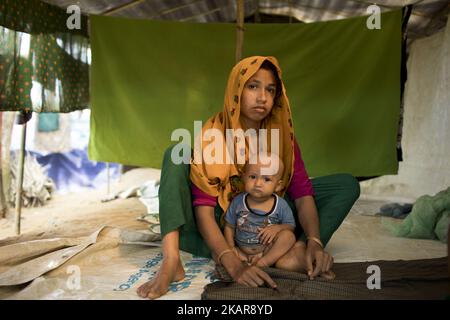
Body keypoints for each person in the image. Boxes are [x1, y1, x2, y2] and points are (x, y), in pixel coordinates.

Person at [137, 56, 360, 299]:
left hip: (269, 221)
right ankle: (172, 260)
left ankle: (300, 250)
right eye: (253, 86)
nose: (262, 96)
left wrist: (315, 240)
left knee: (346, 185)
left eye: (270, 89)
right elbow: (203, 209)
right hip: (218, 226)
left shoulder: (282, 137)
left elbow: (302, 193)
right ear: (236, 91)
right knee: (174, 154)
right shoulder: (213, 135)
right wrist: (231, 261)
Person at [223, 153, 296, 268]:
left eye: (266, 179)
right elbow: (229, 227)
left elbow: (290, 226)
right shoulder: (238, 201)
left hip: (266, 251)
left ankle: (264, 263)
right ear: (244, 177)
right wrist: (230, 249)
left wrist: (277, 228)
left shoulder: (280, 204)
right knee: (217, 253)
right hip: (241, 252)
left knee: (288, 237)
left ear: (277, 185)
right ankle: (244, 263)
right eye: (253, 177)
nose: (258, 184)